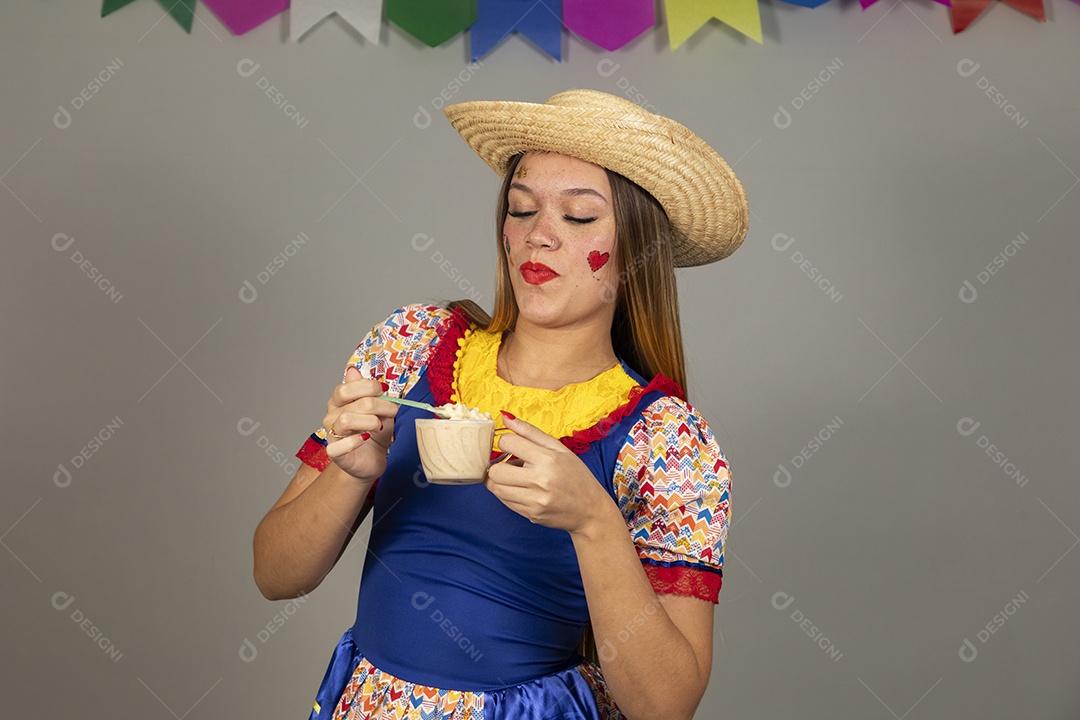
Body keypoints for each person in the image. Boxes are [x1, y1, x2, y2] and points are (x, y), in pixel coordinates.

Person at [253, 89, 748, 720]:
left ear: (637, 253)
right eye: (521, 208)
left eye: (578, 217)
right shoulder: (412, 347)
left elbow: (666, 706)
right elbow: (274, 575)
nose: (539, 235)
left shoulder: (667, 441)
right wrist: (349, 476)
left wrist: (594, 523)